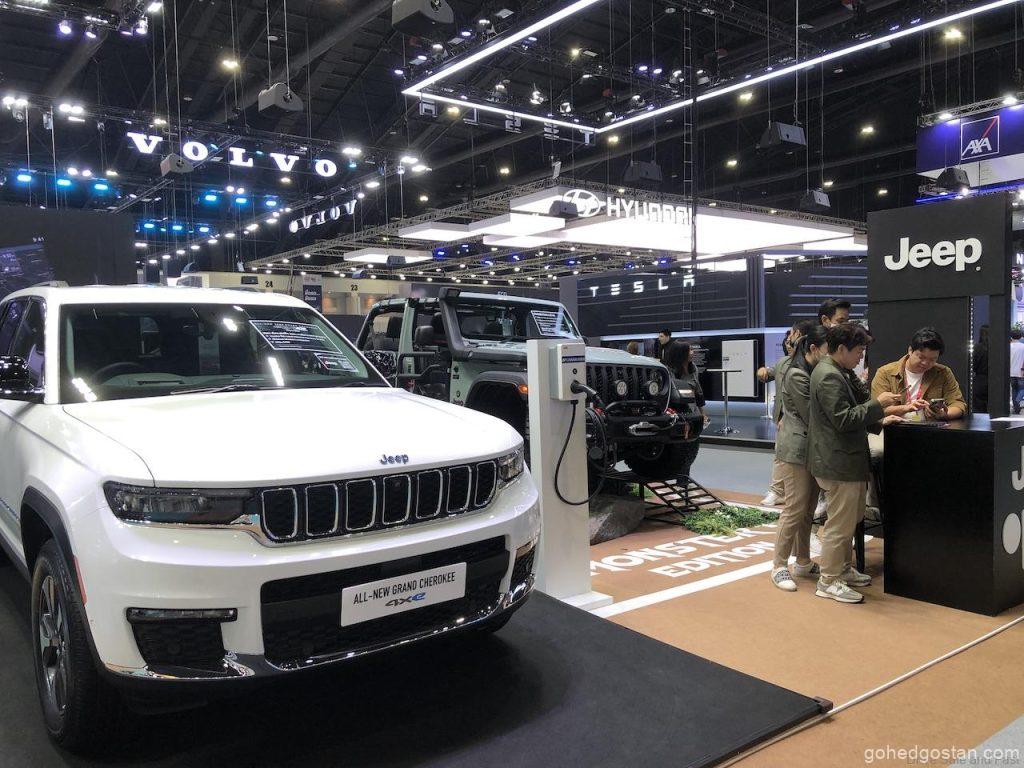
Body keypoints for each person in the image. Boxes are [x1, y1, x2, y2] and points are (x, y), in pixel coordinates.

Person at [808, 323, 903, 604]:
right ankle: (828, 581)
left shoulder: (841, 372)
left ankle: (842, 569)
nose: (861, 356)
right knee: (839, 525)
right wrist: (879, 404)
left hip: (845, 460)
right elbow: (844, 419)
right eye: (859, 350)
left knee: (849, 521)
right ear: (841, 349)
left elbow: (855, 412)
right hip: (837, 462)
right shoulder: (829, 375)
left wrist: (881, 418)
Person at [770, 325, 828, 591]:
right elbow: (812, 415)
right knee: (794, 508)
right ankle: (778, 565)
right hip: (796, 449)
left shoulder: (812, 370)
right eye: (828, 349)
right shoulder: (796, 374)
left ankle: (803, 561)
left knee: (807, 509)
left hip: (811, 448)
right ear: (813, 348)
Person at [757, 319, 816, 506]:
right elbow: (767, 374)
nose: (788, 339)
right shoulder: (784, 362)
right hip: (785, 421)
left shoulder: (812, 366)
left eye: (791, 333)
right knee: (781, 456)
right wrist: (762, 371)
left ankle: (812, 498)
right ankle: (777, 491)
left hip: (805, 424)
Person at [871, 327, 967, 424]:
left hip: (930, 429)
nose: (925, 363)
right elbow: (876, 410)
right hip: (896, 428)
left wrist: (943, 414)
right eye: (921, 357)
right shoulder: (886, 373)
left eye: (932, 359)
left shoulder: (943, 373)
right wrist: (907, 408)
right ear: (910, 350)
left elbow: (959, 404)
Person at [973, 324, 990, 413]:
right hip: (996, 380)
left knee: (979, 409)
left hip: (980, 380)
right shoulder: (997, 348)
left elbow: (973, 365)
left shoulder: (977, 348)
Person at [1011, 329, 1024, 414]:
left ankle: (1016, 407)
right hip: (1021, 371)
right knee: (1022, 388)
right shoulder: (1023, 346)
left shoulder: (1008, 346)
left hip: (1011, 371)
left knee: (1014, 389)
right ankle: (1017, 401)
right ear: (1020, 336)